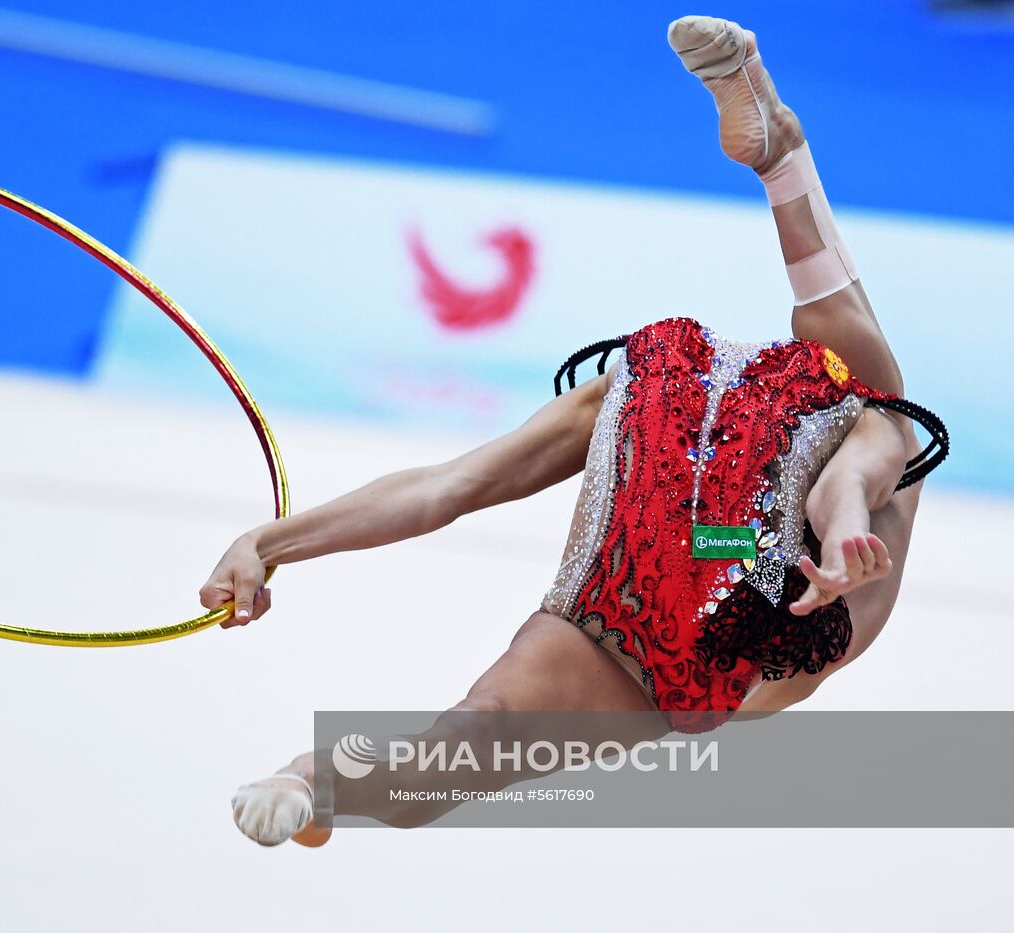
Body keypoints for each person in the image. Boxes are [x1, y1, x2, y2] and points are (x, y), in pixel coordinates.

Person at [207, 16, 947, 847]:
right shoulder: (860, 435)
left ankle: (315, 784)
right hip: (719, 579)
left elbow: (447, 487)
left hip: (670, 563)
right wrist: (840, 539)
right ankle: (316, 785)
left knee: (446, 762)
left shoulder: (801, 426)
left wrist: (270, 542)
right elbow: (849, 479)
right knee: (869, 415)